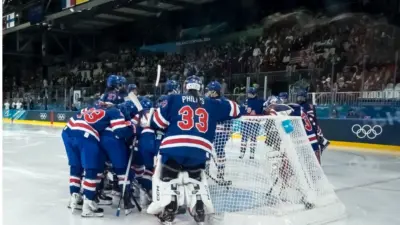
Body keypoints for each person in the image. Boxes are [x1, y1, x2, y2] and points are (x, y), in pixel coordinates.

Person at [147, 76, 242, 225]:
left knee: (167, 177)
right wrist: (218, 102)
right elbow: (237, 110)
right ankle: (198, 205)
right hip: (200, 151)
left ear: (185, 87)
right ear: (201, 88)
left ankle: (170, 207)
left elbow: (156, 122)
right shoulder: (212, 103)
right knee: (195, 177)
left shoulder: (173, 99)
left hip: (173, 148)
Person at [62, 104, 135, 217]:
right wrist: (132, 127)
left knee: (76, 166)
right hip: (85, 134)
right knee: (92, 169)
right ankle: (88, 204)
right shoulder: (115, 111)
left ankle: (74, 197)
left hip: (67, 130)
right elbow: (120, 131)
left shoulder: (93, 106)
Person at [205, 81, 234, 184]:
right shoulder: (222, 102)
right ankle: (207, 173)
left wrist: (228, 130)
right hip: (211, 131)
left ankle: (217, 174)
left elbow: (231, 117)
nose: (207, 92)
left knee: (217, 151)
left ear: (213, 92)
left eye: (208, 90)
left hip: (218, 132)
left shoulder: (223, 103)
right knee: (207, 151)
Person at [296, 90, 330, 155]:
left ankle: (321, 142)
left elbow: (311, 118)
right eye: (299, 98)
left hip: (311, 126)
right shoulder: (299, 105)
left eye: (302, 98)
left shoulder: (308, 106)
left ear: (305, 98)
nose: (300, 100)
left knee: (314, 142)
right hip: (306, 126)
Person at [240, 87, 264, 159]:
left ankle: (252, 153)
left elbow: (263, 111)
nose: (249, 94)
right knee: (244, 138)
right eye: (249, 93)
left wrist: (257, 112)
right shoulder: (245, 101)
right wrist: (246, 112)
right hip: (246, 122)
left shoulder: (260, 101)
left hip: (255, 122)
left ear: (255, 94)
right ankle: (242, 153)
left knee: (253, 138)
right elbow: (241, 111)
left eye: (251, 93)